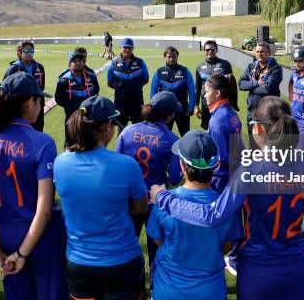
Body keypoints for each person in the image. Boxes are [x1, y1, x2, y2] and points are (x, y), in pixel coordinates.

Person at [152, 96, 304, 300]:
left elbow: (212, 215)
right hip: (295, 265)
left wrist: (163, 197)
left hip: (258, 269)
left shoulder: (251, 169)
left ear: (258, 129)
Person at [0, 72, 66, 300]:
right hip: (41, 236)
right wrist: (22, 254)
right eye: (39, 100)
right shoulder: (42, 142)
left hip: (6, 232)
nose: (41, 104)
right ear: (28, 103)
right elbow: (44, 209)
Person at [54, 95, 148, 299]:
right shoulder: (126, 165)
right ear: (106, 127)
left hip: (78, 263)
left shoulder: (60, 163)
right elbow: (141, 207)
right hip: (121, 261)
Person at [146, 130, 242, 300]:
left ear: (182, 166)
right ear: (215, 166)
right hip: (210, 291)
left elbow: (157, 239)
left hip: (168, 291)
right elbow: (227, 246)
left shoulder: (163, 203)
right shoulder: (226, 207)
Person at [115, 91, 182, 278]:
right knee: (157, 252)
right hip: (157, 203)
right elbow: (176, 179)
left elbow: (117, 165)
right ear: (169, 116)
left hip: (129, 201)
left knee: (127, 248)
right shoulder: (173, 140)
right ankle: (155, 290)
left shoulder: (127, 131)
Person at [203, 74, 243, 193]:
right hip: (232, 174)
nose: (204, 96)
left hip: (221, 178)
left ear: (217, 93)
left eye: (206, 91)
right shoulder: (232, 113)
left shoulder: (217, 120)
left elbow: (221, 156)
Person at [239, 41, 283, 141]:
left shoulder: (276, 69)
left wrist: (250, 86)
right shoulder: (251, 66)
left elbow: (268, 89)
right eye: (257, 51)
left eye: (262, 51)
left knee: (267, 144)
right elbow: (241, 84)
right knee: (253, 143)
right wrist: (256, 83)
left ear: (269, 53)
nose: (259, 54)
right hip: (251, 112)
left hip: (268, 113)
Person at [55, 51, 100, 148]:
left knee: (89, 143)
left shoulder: (91, 77)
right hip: (71, 118)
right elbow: (59, 99)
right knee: (70, 144)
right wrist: (72, 108)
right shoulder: (63, 81)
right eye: (74, 61)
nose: (78, 63)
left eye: (80, 60)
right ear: (69, 64)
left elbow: (96, 91)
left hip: (89, 117)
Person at [150, 46, 195, 136]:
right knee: (164, 135)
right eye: (169, 57)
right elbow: (153, 91)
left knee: (185, 135)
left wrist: (191, 107)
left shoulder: (185, 71)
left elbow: (192, 91)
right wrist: (154, 108)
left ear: (177, 57)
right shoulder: (159, 72)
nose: (171, 59)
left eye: (174, 56)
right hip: (164, 111)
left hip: (182, 110)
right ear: (165, 57)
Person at [2, 40, 46, 131]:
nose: (29, 53)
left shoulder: (40, 67)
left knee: (37, 132)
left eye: (31, 51)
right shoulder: (13, 69)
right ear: (19, 52)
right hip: (20, 109)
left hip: (36, 107)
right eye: (26, 51)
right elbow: (5, 89)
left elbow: (42, 87)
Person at [107, 37, 149, 128]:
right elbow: (109, 82)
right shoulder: (114, 63)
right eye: (125, 47)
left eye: (129, 47)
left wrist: (136, 87)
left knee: (138, 128)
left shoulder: (140, 62)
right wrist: (120, 88)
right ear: (120, 48)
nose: (127, 49)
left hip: (137, 101)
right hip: (120, 102)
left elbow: (146, 79)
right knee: (121, 128)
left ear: (133, 49)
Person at [194, 40, 233, 130]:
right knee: (208, 128)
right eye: (207, 50)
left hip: (222, 104)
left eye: (212, 49)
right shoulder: (199, 67)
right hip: (206, 104)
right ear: (204, 51)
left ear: (216, 50)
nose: (210, 51)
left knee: (222, 128)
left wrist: (231, 102)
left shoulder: (225, 64)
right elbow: (198, 87)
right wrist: (196, 105)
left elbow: (231, 85)